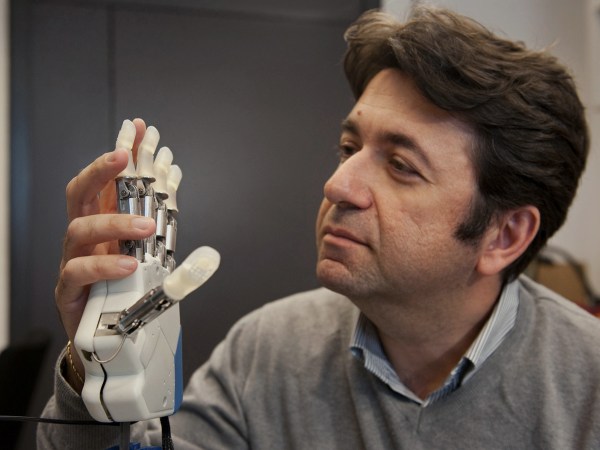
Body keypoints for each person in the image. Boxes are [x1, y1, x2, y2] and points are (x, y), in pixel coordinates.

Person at [39, 4, 600, 449]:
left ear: (505, 236)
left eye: (401, 166)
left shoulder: (587, 390)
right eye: (349, 148)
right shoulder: (266, 350)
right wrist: (100, 366)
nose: (337, 185)